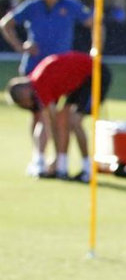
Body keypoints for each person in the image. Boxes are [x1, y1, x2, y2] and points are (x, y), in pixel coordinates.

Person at [1, 0, 93, 176]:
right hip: (35, 71)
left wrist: (95, 48)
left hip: (62, 75)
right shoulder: (33, 6)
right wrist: (20, 45)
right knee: (39, 117)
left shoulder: (70, 5)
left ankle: (58, 162)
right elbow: (6, 24)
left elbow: (93, 22)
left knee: (61, 118)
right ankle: (39, 160)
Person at [5, 50, 112, 182]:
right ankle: (62, 166)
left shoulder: (39, 84)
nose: (29, 104)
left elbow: (53, 122)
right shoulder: (37, 81)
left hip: (96, 74)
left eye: (25, 101)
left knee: (74, 121)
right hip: (81, 81)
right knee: (64, 120)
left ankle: (87, 169)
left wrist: (56, 157)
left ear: (24, 93)